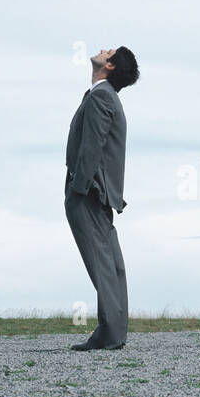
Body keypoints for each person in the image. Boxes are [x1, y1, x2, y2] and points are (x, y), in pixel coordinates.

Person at [63, 46, 139, 350]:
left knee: (102, 262)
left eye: (108, 51)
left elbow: (92, 147)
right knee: (110, 262)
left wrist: (79, 187)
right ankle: (114, 332)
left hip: (89, 192)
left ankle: (109, 334)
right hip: (99, 192)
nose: (102, 49)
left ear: (108, 66)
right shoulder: (104, 95)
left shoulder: (101, 96)